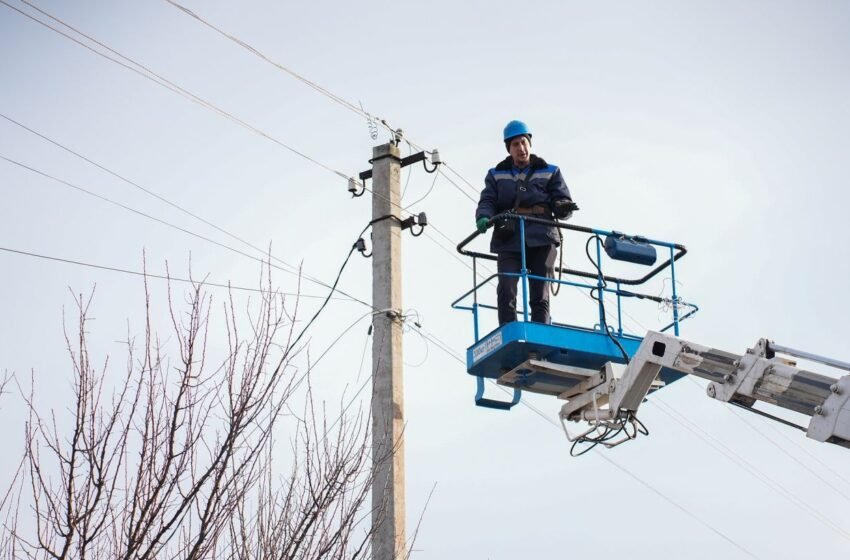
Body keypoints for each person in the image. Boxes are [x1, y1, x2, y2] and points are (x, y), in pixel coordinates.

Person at [475, 120, 575, 325]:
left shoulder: (550, 171)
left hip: (542, 235)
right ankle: (509, 331)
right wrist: (483, 216)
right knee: (506, 288)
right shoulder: (496, 174)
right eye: (515, 145)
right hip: (509, 237)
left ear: (530, 143)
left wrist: (563, 207)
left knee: (540, 291)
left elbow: (560, 198)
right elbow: (488, 200)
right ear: (509, 149)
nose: (521, 148)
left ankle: (541, 332)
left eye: (524, 142)